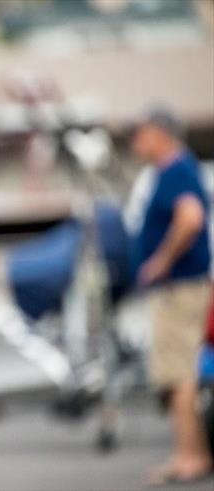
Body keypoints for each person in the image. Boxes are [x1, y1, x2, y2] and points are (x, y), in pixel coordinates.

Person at [129, 108, 212, 484]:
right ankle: (189, 454)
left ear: (161, 133)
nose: (136, 142)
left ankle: (190, 457)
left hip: (179, 288)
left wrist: (161, 261)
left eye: (142, 134)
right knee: (179, 373)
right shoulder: (174, 170)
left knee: (180, 374)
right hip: (181, 287)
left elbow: (190, 218)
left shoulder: (176, 170)